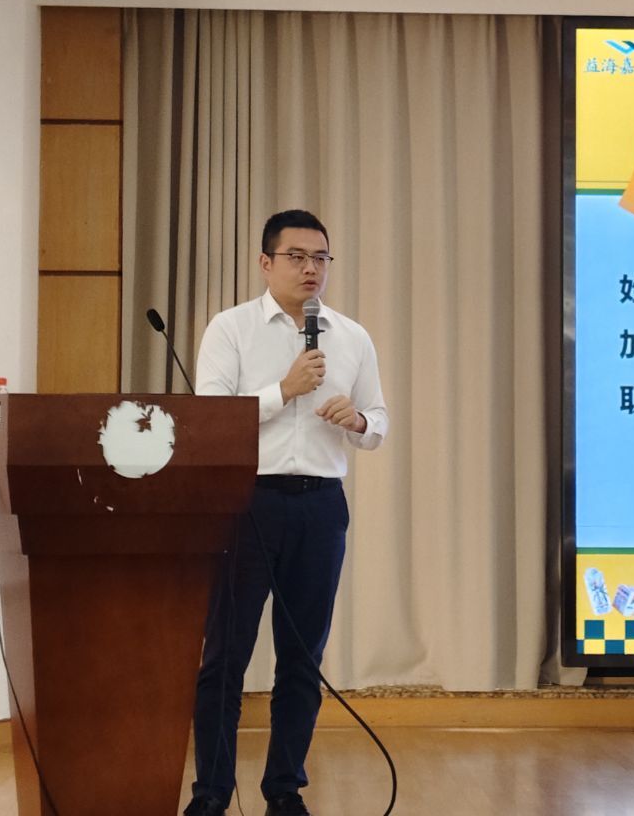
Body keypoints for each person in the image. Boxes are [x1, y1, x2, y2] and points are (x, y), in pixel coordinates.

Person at [185, 209, 389, 816]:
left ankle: (284, 789)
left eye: (320, 258)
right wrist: (284, 390)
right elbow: (209, 423)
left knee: (302, 659)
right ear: (265, 262)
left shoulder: (351, 336)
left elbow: (378, 421)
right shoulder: (231, 329)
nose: (310, 269)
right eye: (296, 257)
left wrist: (358, 420)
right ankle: (211, 793)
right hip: (247, 503)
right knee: (225, 655)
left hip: (321, 508)